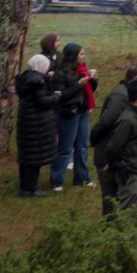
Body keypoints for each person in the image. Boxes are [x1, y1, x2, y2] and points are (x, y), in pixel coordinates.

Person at [102, 78, 137, 212]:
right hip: (131, 175)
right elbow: (113, 147)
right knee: (127, 215)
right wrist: (113, 163)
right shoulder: (128, 120)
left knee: (136, 213)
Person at [49, 42, 96, 191]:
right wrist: (78, 85)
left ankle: (82, 179)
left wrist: (94, 81)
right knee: (65, 148)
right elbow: (60, 96)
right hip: (69, 113)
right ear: (73, 56)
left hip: (83, 111)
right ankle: (57, 180)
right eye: (81, 54)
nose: (84, 56)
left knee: (82, 146)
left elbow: (88, 91)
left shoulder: (82, 70)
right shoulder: (60, 73)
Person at [14, 53, 61, 197]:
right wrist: (56, 96)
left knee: (27, 157)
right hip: (37, 124)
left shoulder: (25, 79)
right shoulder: (38, 81)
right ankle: (31, 189)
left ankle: (25, 187)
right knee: (35, 157)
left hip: (26, 122)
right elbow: (43, 102)